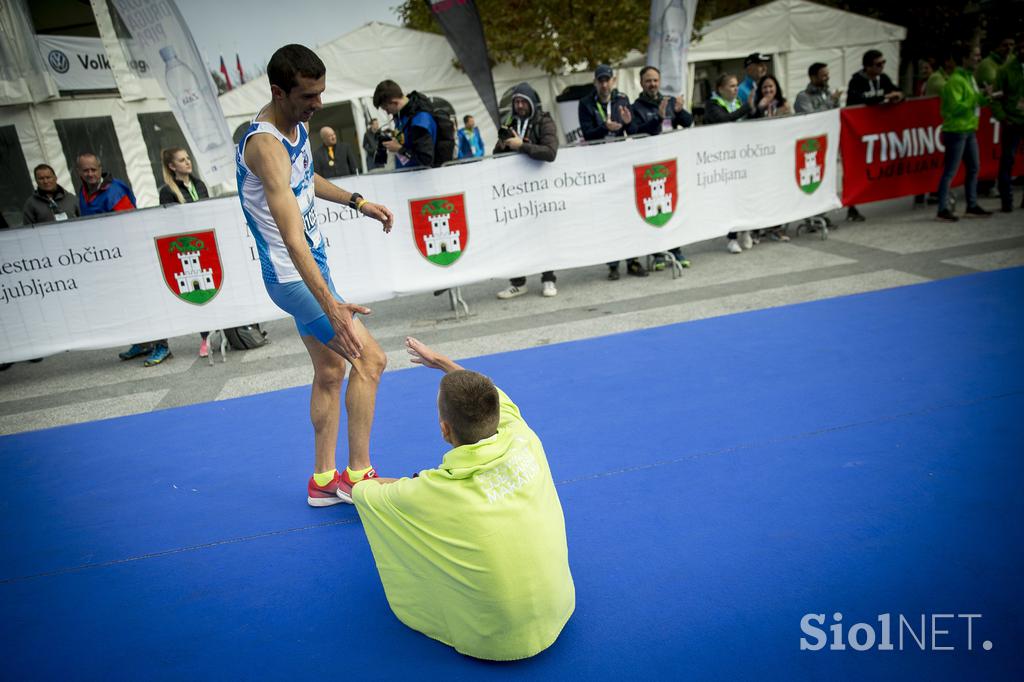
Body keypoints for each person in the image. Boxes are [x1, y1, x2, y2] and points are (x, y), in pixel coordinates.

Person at [237, 44, 395, 505]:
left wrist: (357, 202)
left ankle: (323, 481)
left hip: (310, 265)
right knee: (370, 360)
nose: (318, 104)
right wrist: (331, 304)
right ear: (278, 92)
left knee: (331, 370)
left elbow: (305, 180)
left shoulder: (296, 125)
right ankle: (357, 477)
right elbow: (291, 239)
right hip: (292, 274)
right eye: (309, 96)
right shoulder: (265, 146)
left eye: (321, 93)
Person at [352, 336, 575, 661]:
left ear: (445, 430)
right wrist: (442, 362)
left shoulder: (430, 492)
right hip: (561, 607)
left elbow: (363, 489)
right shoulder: (523, 436)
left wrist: (365, 469)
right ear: (497, 411)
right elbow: (489, 394)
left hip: (493, 643)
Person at [578, 64, 647, 280]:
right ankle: (613, 263)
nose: (605, 84)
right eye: (601, 80)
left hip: (622, 161)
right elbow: (588, 134)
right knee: (609, 213)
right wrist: (605, 128)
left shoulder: (622, 99)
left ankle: (633, 260)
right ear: (595, 82)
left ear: (613, 81)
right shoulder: (585, 103)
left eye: (608, 80)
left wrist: (628, 122)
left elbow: (633, 131)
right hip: (601, 163)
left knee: (629, 210)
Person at [494, 82, 560, 299]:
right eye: (516, 102)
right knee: (516, 236)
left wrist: (521, 146)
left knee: (544, 234)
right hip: (515, 191)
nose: (520, 105)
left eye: (523, 101)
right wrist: (504, 145)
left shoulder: (544, 121)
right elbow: (495, 155)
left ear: (532, 102)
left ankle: (548, 278)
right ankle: (518, 282)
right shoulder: (509, 122)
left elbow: (550, 152)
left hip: (539, 187)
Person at [630, 65, 694, 270]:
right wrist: (658, 117)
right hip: (649, 168)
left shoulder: (669, 101)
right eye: (648, 80)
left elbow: (688, 122)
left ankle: (676, 249)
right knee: (653, 210)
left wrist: (679, 111)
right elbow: (636, 131)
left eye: (655, 80)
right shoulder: (635, 107)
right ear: (641, 83)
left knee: (671, 207)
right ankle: (656, 252)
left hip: (670, 166)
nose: (652, 84)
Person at [157, 147, 211, 359]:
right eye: (182, 160)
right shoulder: (167, 191)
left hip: (207, 244)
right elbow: (169, 222)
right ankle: (205, 336)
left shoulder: (199, 184)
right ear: (172, 166)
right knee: (198, 291)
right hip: (188, 247)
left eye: (188, 158)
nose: (187, 162)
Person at [935, 42, 995, 222]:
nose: (979, 59)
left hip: (969, 129)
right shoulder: (956, 80)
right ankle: (942, 209)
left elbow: (975, 101)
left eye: (979, 55)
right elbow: (955, 107)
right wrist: (976, 100)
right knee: (950, 171)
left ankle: (972, 205)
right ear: (964, 59)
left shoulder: (970, 78)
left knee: (974, 167)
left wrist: (987, 97)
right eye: (975, 56)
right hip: (956, 131)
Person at [845, 49, 904, 222]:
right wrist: (883, 96)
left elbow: (899, 92)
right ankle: (852, 206)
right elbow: (855, 102)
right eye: (878, 64)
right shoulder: (856, 81)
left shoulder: (883, 79)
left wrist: (898, 95)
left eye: (884, 63)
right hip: (858, 134)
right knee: (855, 167)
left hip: (879, 132)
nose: (882, 67)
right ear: (867, 66)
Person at [704, 73, 754, 254]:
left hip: (742, 156)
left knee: (745, 195)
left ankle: (746, 230)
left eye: (736, 85)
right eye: (732, 86)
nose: (736, 89)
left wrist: (757, 107)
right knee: (731, 198)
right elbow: (725, 120)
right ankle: (732, 238)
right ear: (720, 89)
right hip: (723, 160)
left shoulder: (738, 103)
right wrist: (749, 106)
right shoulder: (712, 105)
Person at [372, 80, 437, 169]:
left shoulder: (420, 120)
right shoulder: (401, 116)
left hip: (421, 178)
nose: (387, 113)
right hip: (407, 175)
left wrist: (399, 149)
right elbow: (406, 143)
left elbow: (426, 160)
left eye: (386, 108)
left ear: (395, 102)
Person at [993, 34, 1024, 212]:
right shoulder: (1005, 70)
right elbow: (995, 97)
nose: (1022, 51)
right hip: (1012, 120)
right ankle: (1007, 200)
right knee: (1007, 160)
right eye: (1019, 48)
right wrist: (1003, 117)